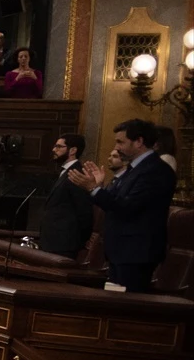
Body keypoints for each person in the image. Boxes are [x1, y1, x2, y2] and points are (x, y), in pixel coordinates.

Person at [68, 118, 177, 291]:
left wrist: (93, 189)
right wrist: (99, 186)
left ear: (139, 141)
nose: (116, 147)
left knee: (125, 310)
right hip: (121, 252)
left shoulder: (156, 170)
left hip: (137, 253)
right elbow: (113, 202)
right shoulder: (133, 169)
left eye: (120, 142)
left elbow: (127, 207)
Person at [39, 132, 93, 260]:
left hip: (64, 243)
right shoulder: (65, 172)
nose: (54, 149)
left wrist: (81, 240)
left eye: (59, 147)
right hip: (53, 241)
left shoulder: (77, 174)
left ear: (73, 150)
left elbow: (84, 210)